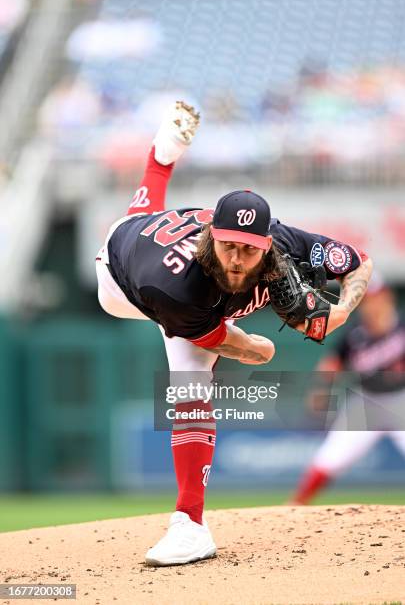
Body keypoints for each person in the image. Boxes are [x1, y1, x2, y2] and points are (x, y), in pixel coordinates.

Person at [95, 101, 373, 566]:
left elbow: (359, 261)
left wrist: (343, 310)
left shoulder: (283, 242)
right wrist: (256, 347)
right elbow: (237, 345)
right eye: (229, 245)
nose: (239, 258)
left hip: (158, 241)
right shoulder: (172, 287)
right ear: (212, 237)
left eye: (251, 248)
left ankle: (161, 159)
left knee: (145, 217)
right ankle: (190, 527)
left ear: (269, 241)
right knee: (190, 389)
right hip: (122, 279)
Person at [290, 275, 405, 505]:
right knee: (330, 458)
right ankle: (295, 508)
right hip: (367, 403)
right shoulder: (353, 335)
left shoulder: (402, 327)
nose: (372, 305)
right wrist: (321, 389)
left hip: (401, 400)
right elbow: (332, 364)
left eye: (376, 299)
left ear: (388, 298)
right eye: (367, 301)